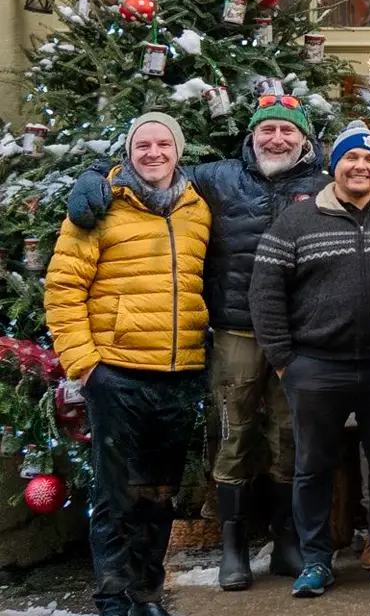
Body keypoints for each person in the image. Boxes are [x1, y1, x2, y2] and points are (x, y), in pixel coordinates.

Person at [63, 96, 321, 590]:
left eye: (289, 132)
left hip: (297, 334)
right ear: (251, 136)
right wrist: (94, 174)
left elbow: (368, 181)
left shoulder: (321, 183)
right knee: (232, 434)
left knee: (289, 436)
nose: (277, 140)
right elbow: (150, 165)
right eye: (267, 130)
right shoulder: (215, 179)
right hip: (234, 328)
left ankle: (288, 541)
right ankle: (233, 547)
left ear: (304, 140)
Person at [252, 123, 370, 598]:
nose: (360, 167)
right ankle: (316, 560)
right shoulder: (298, 221)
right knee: (313, 466)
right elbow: (266, 290)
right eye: (351, 158)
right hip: (315, 365)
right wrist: (284, 358)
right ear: (335, 166)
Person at [47, 113, 211, 616]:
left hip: (178, 373)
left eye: (165, 144)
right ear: (129, 151)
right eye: (144, 144)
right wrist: (85, 364)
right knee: (117, 493)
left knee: (158, 494)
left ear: (178, 152)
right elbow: (62, 288)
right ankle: (114, 597)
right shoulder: (98, 205)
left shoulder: (197, 208)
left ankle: (146, 593)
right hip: (115, 372)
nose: (154, 153)